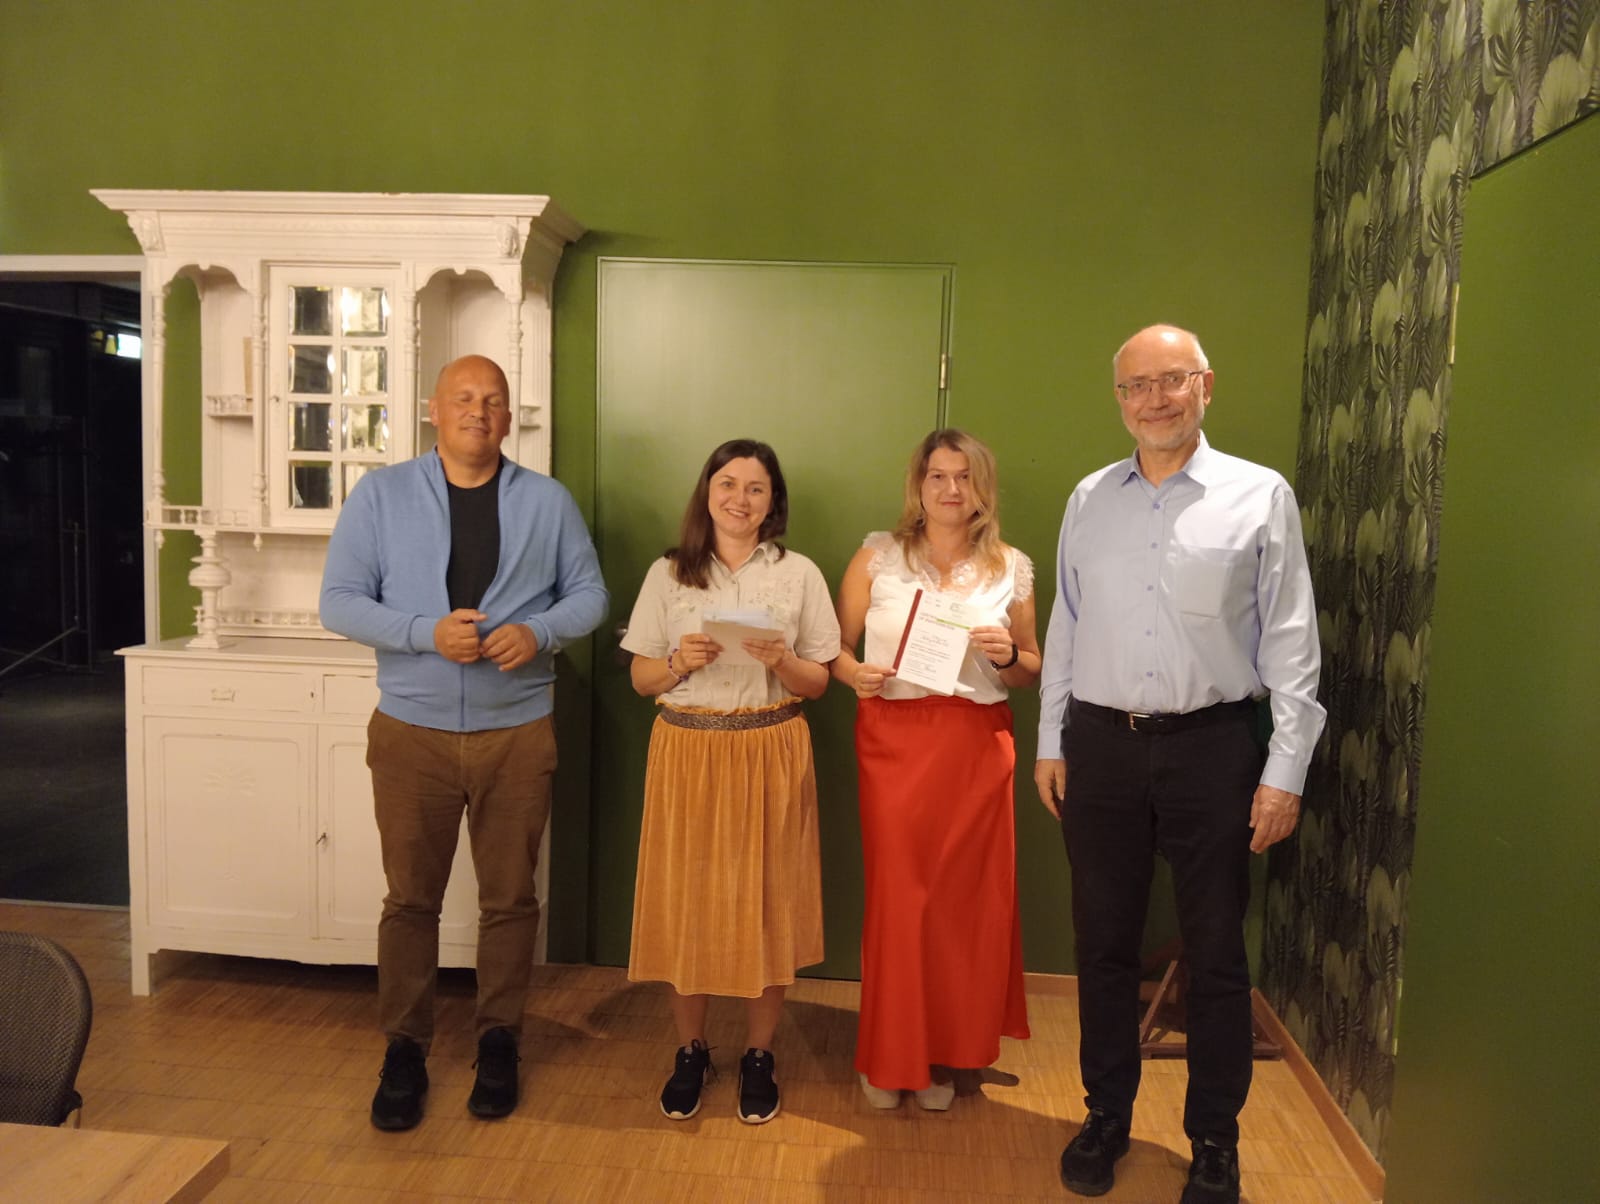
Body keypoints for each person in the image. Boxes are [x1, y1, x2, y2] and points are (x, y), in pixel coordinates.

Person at [1034, 325, 1324, 1202]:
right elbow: (1067, 624)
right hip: (1101, 745)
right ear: (1118, 399)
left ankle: (1215, 1142)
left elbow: (1291, 639)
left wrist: (1285, 770)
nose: (1153, 399)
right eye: (1136, 386)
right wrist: (1051, 740)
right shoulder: (1090, 499)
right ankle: (1106, 1116)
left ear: (1206, 385)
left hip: (1215, 749)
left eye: (1171, 380)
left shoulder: (1259, 495)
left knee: (1216, 953)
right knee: (1103, 946)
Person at [320, 353, 608, 1132]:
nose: (479, 411)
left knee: (510, 899)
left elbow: (591, 594)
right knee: (409, 899)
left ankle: (499, 1040)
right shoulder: (380, 496)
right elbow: (338, 602)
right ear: (433, 410)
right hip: (410, 732)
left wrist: (538, 631)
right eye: (464, 398)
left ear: (509, 418)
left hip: (517, 730)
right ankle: (404, 1049)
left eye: (493, 400)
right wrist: (424, 633)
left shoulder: (547, 501)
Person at [621, 438, 839, 1125]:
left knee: (770, 903)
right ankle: (691, 1050)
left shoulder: (799, 574)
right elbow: (641, 678)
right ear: (707, 492)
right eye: (728, 484)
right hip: (687, 750)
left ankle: (759, 1055)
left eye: (755, 488)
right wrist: (677, 663)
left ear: (773, 502)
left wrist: (783, 661)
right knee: (687, 903)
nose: (740, 499)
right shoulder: (668, 573)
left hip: (771, 746)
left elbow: (819, 681)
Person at [832, 428, 1039, 1111]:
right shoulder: (877, 556)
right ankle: (890, 1056)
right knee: (901, 900)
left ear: (983, 487)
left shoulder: (1012, 567)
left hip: (976, 745)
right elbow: (834, 647)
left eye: (964, 476)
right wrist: (855, 675)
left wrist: (1007, 655)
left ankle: (945, 1056)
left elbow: (1029, 669)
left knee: (962, 907)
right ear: (918, 486)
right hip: (893, 741)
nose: (952, 489)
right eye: (937, 476)